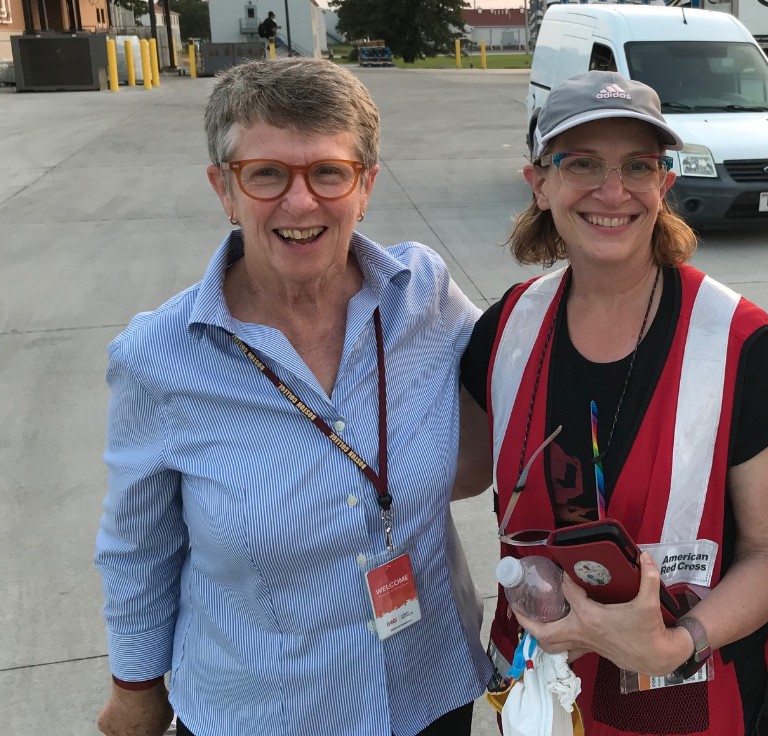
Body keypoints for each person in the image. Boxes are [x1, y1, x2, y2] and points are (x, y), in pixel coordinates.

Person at [95, 58, 491, 736]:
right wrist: (136, 687)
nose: (300, 202)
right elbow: (138, 547)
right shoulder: (159, 358)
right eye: (267, 173)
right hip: (267, 712)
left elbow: (528, 381)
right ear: (225, 189)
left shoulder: (422, 296)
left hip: (430, 693)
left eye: (328, 173)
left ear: (365, 186)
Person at [460, 71, 768, 736]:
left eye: (637, 166)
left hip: (684, 702)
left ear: (665, 184)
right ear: (539, 183)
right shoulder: (504, 329)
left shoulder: (742, 346)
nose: (611, 190)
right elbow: (455, 470)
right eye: (581, 163)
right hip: (540, 697)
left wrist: (680, 643)